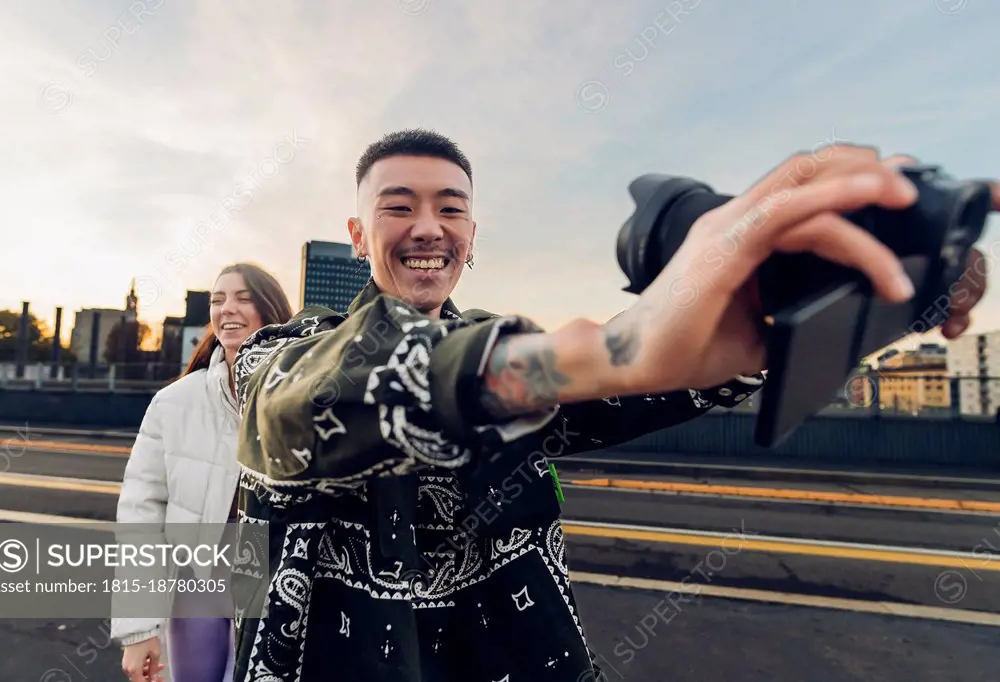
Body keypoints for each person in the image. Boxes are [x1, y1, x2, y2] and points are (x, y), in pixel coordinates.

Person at [229, 129, 992, 682]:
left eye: (451, 209)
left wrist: (876, 298)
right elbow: (303, 399)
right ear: (358, 235)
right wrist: (142, 630)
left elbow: (659, 382)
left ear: (471, 235)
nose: (429, 227)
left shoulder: (525, 370)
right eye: (400, 207)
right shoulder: (279, 354)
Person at [111, 262, 294, 682]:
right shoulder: (173, 403)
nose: (228, 308)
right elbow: (141, 515)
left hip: (279, 590)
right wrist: (139, 629)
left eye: (243, 298)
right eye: (218, 300)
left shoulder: (308, 395)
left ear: (271, 309)